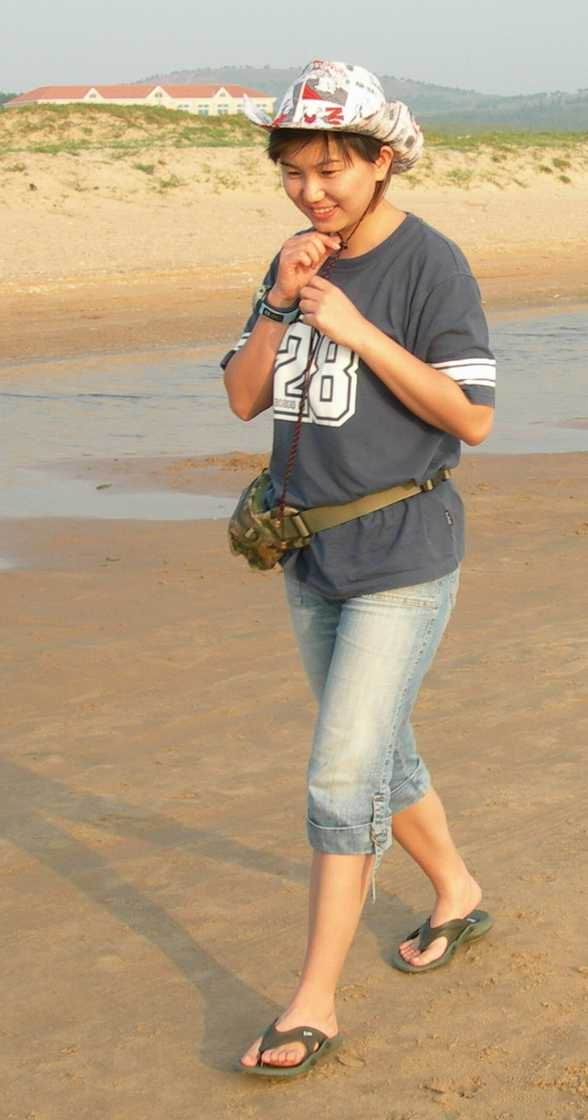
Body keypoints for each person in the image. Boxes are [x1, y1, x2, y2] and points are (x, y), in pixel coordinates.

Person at [221, 59, 496, 1079]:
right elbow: (243, 398)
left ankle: (314, 1003)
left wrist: (356, 330)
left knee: (342, 770)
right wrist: (282, 300)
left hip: (403, 554)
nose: (311, 191)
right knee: (380, 747)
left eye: (330, 169)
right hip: (311, 553)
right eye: (293, 172)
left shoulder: (433, 266)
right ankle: (458, 891)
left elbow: (471, 416)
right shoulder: (293, 258)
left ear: (383, 160)